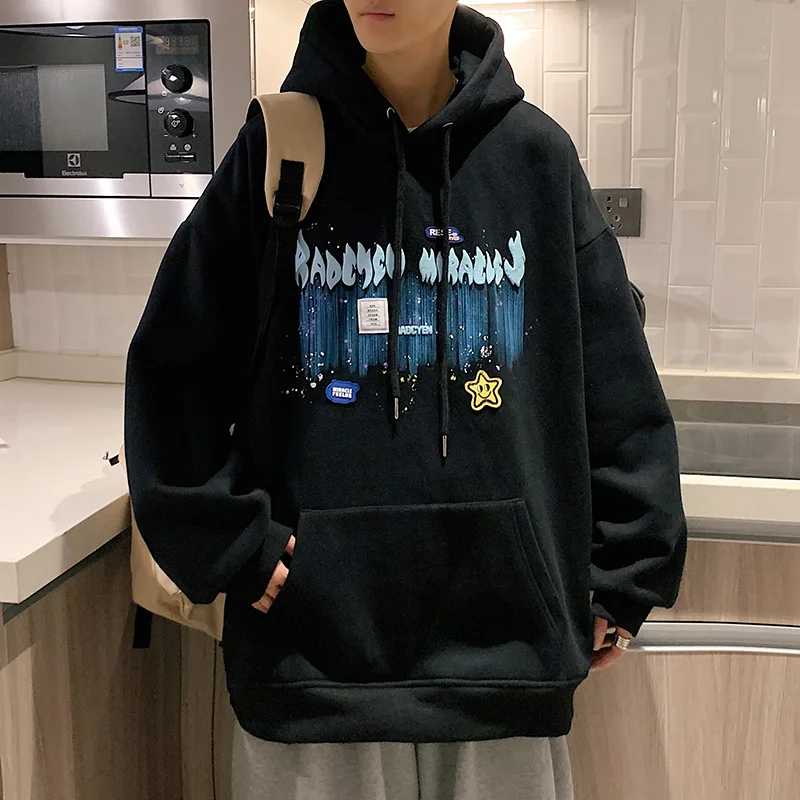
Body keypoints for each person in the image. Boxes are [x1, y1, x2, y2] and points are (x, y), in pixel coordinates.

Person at [124, 1, 688, 798]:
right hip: (314, 662)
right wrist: (233, 543)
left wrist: (628, 568)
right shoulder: (279, 151)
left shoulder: (536, 159)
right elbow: (172, 370)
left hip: (504, 656)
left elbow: (615, 383)